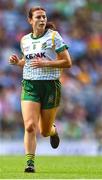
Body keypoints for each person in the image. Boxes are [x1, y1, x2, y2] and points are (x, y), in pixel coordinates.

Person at [9, 6, 72, 173]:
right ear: (30, 20)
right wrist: (18, 62)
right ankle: (30, 163)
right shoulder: (24, 40)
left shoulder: (53, 36)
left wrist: (46, 63)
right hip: (30, 85)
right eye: (38, 17)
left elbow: (67, 62)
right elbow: (28, 61)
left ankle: (52, 130)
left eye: (44, 17)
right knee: (30, 126)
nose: (42, 19)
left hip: (50, 86)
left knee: (44, 131)